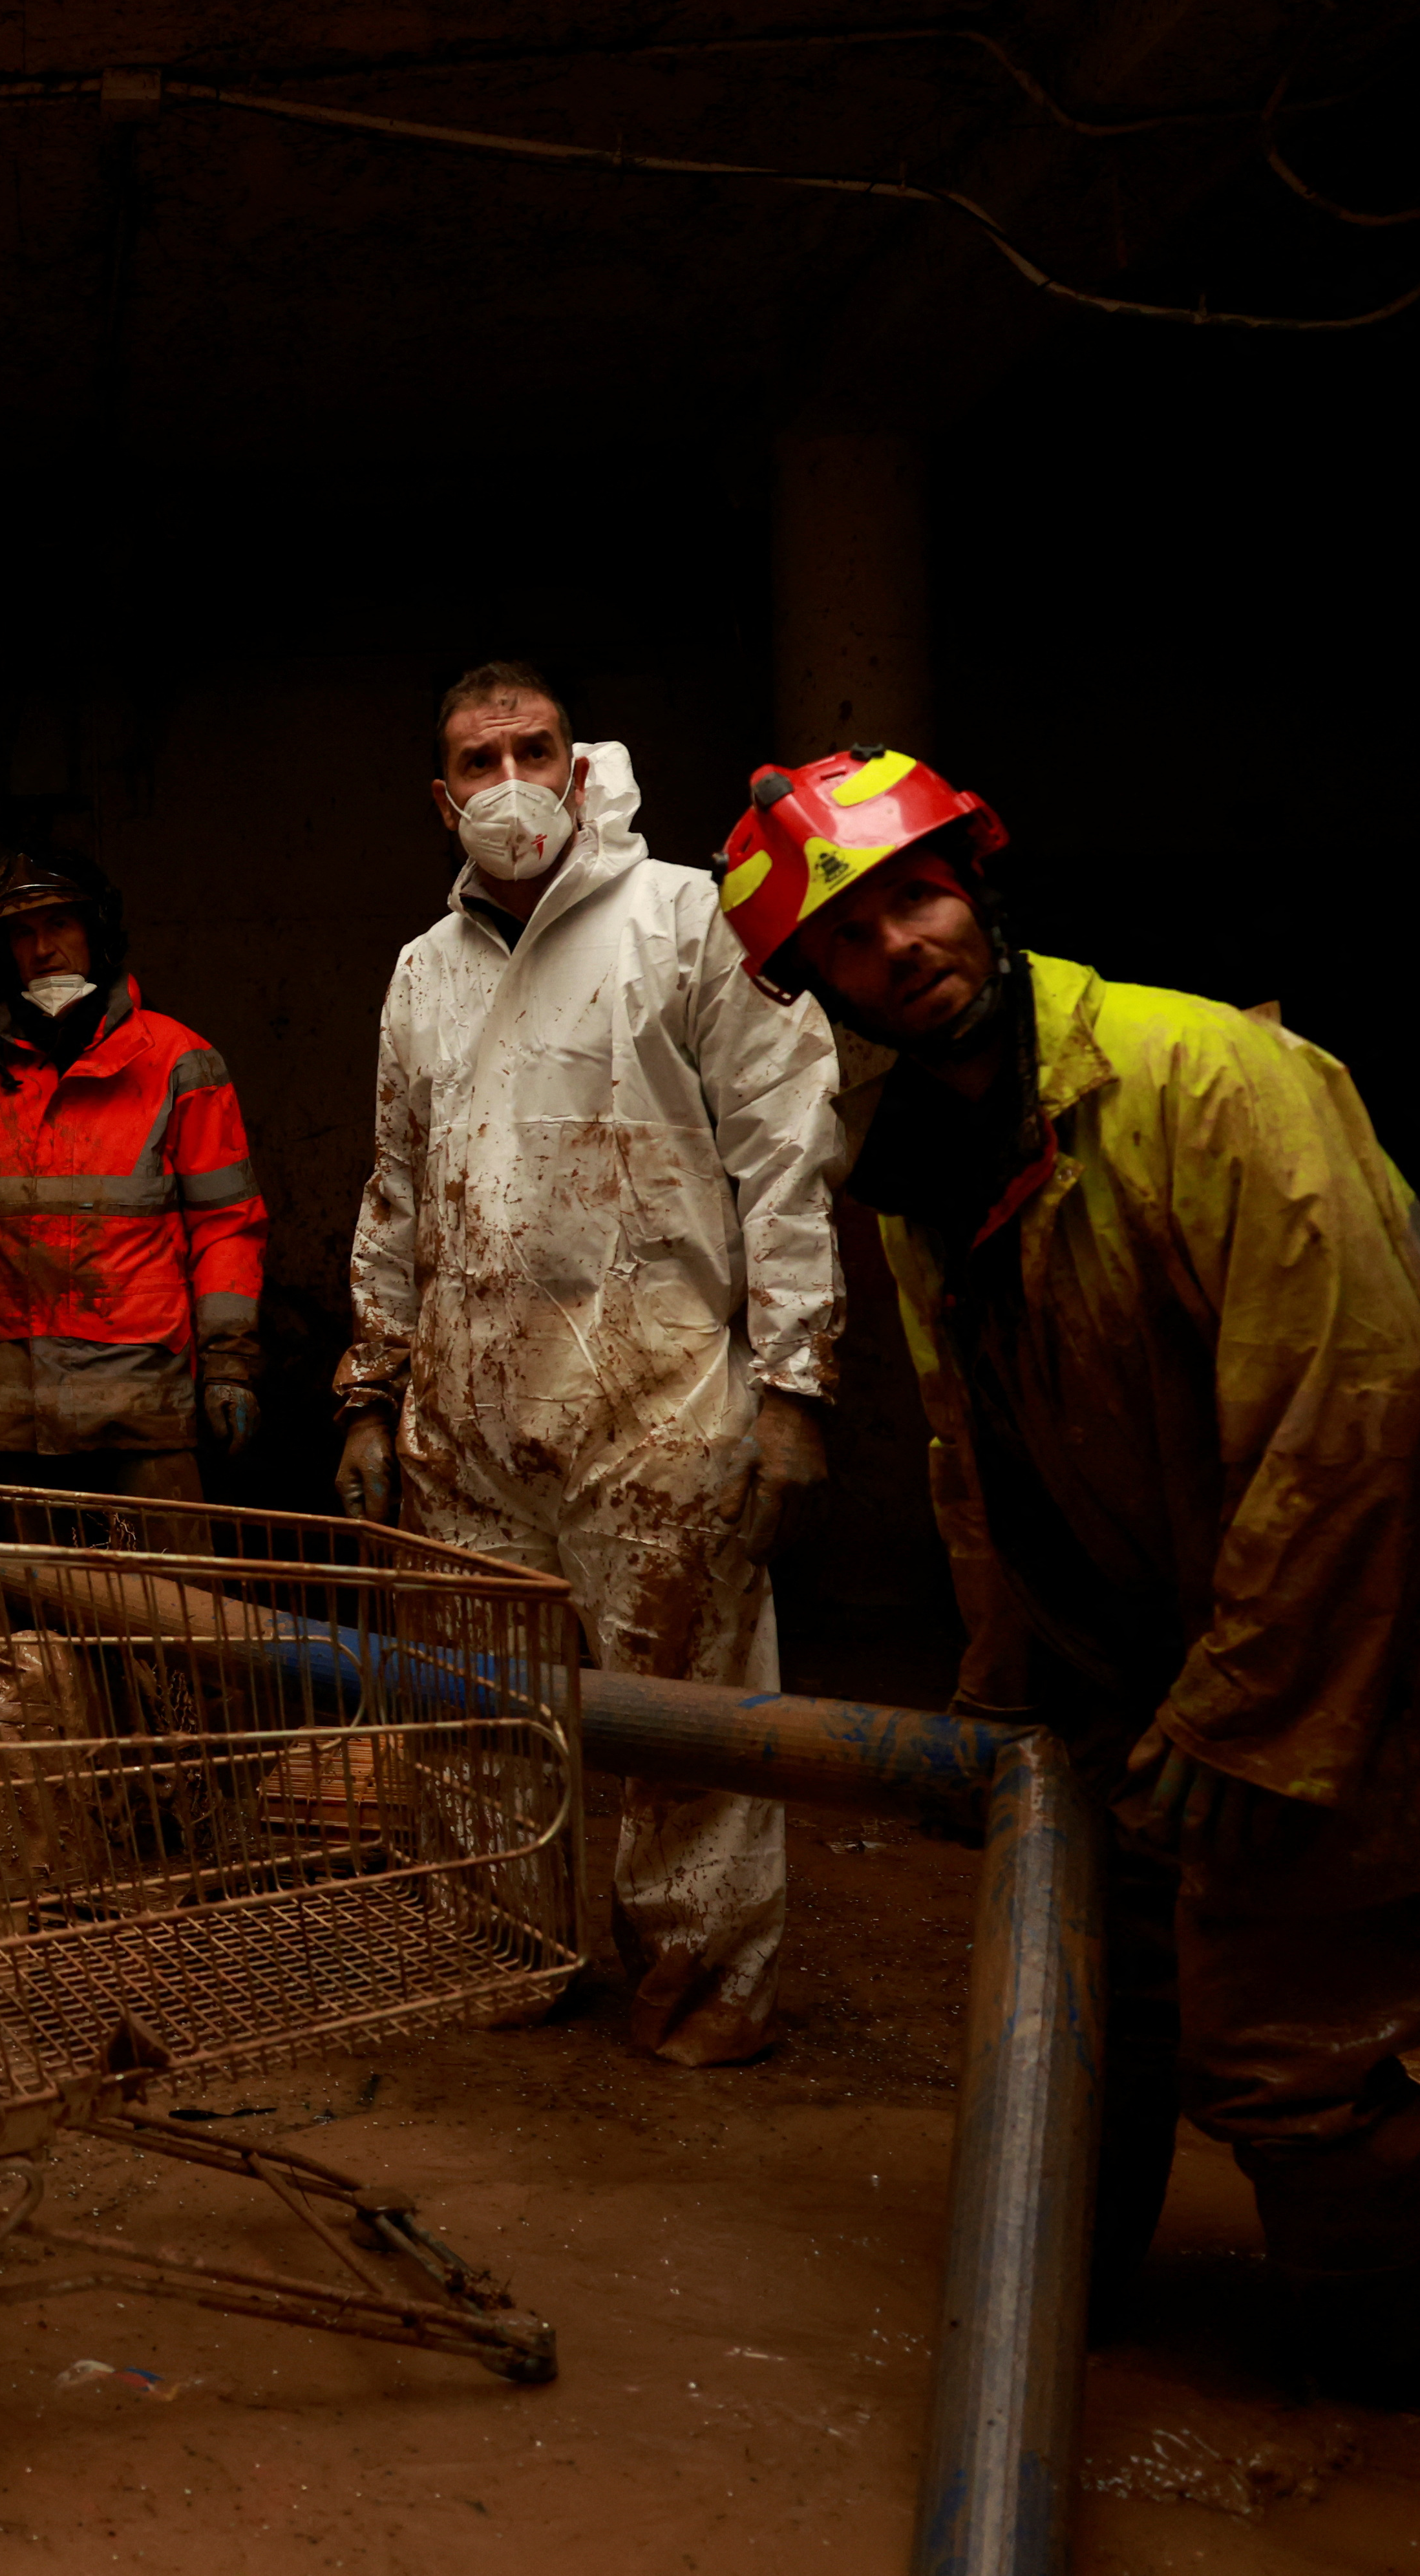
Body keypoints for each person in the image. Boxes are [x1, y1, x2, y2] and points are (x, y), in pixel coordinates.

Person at [724, 744, 1420, 2408]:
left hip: (1388, 1597)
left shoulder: (1214, 1080)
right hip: (1171, 1611)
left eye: (918, 894)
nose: (900, 945)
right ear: (807, 983)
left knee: (1284, 2049)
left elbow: (1355, 1416)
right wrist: (999, 1692)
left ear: (980, 884)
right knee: (1086, 1976)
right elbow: (983, 1454)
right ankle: (1063, 2314)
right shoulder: (918, 1169)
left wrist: (1244, 1710)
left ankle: (1373, 2397)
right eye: (848, 934)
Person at [333, 662, 843, 2068]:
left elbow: (788, 1156)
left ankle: (704, 1977)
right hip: (466, 1407)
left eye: (531, 749)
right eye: (476, 759)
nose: (508, 781)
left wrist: (796, 1384)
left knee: (687, 1710)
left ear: (580, 763)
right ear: (443, 798)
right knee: (475, 1706)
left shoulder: (691, 919)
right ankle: (501, 1951)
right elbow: (396, 1184)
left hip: (659, 1395)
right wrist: (372, 1386)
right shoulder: (423, 971)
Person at [0, 838, 262, 1500]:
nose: (42, 948)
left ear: (96, 931)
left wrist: (229, 1367)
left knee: (157, 1600)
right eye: (22, 933)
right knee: (35, 1599)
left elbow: (227, 1229)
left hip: (141, 1421)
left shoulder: (180, 1062)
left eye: (59, 924)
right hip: (15, 1421)